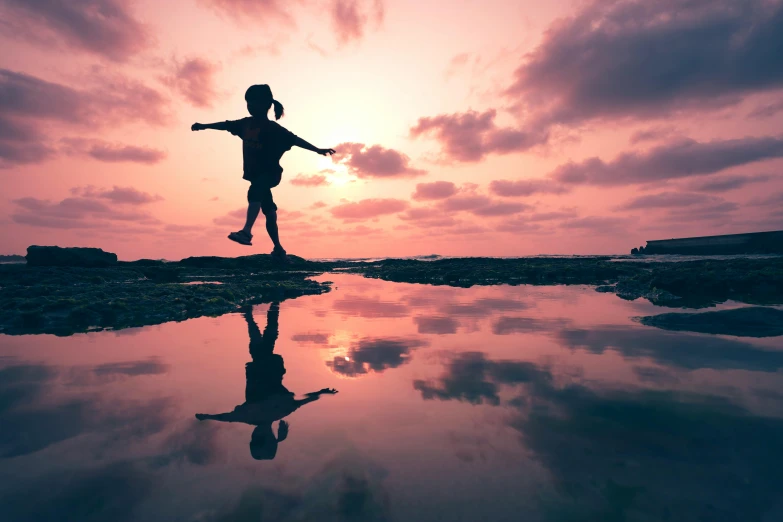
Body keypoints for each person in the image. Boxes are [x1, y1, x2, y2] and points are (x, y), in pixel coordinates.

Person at [191, 84, 336, 260]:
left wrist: (318, 150)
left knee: (254, 191)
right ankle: (279, 249)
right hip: (256, 175)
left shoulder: (273, 129)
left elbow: (296, 140)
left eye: (254, 102)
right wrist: (204, 126)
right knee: (269, 211)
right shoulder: (245, 124)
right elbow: (225, 125)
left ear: (266, 104)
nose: (250, 106)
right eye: (248, 102)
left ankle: (246, 232)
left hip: (271, 173)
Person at [195, 302, 338, 460]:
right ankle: (255, 313)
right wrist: (207, 416)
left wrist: (321, 393)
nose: (253, 435)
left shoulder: (277, 412)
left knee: (266, 340)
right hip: (262, 367)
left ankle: (266, 309)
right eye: (255, 439)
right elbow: (226, 418)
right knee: (260, 343)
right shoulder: (253, 416)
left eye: (253, 440)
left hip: (271, 367)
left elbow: (302, 401)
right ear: (261, 437)